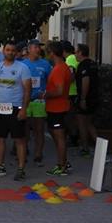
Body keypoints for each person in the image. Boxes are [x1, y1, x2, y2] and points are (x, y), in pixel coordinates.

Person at [0, 41, 31, 181]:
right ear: (3, 51)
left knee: (19, 140)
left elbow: (28, 90)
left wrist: (24, 109)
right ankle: (0, 166)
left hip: (16, 108)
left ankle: (21, 169)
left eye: (13, 50)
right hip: (0, 108)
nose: (10, 52)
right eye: (8, 50)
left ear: (16, 52)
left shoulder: (23, 68)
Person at [44, 40, 73, 176]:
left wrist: (45, 94)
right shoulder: (63, 67)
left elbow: (60, 90)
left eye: (48, 53)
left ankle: (61, 166)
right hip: (57, 107)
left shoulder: (59, 69)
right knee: (57, 135)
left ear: (52, 53)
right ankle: (64, 162)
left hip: (58, 108)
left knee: (59, 136)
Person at [21, 40, 52, 167]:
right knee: (24, 129)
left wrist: (46, 93)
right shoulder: (22, 64)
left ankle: (38, 155)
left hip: (39, 101)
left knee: (39, 129)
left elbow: (50, 81)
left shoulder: (45, 64)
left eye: (39, 47)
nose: (38, 49)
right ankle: (23, 152)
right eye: (35, 47)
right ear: (29, 49)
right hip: (25, 101)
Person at [74, 43, 99, 156]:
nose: (75, 54)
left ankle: (85, 148)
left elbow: (85, 80)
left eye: (76, 52)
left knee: (82, 123)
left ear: (80, 53)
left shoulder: (83, 65)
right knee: (89, 123)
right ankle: (100, 148)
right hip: (94, 97)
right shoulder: (93, 64)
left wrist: (83, 99)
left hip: (87, 98)